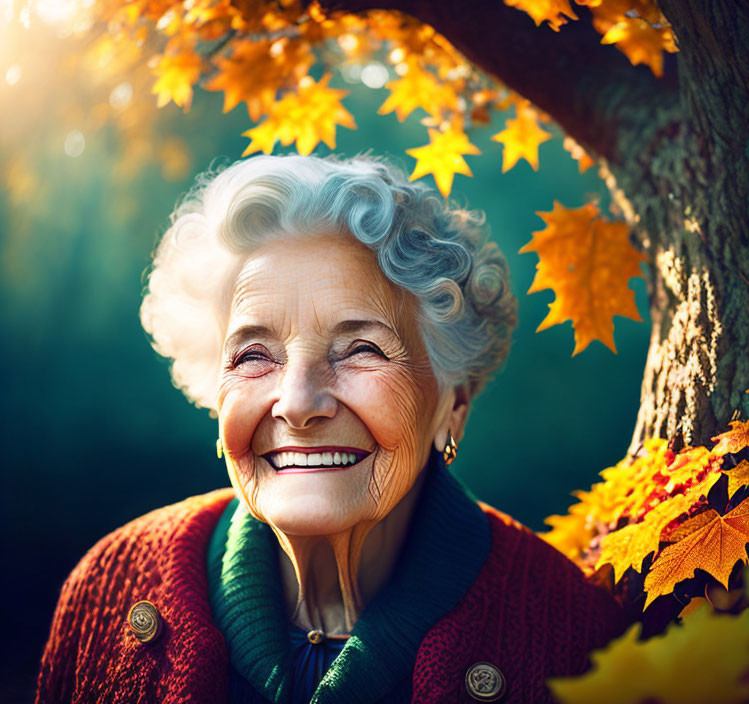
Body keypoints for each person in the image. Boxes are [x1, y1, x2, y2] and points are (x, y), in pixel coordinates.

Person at [34, 154, 625, 704]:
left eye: (360, 348)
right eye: (252, 356)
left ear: (454, 403)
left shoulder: (573, 633)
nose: (297, 403)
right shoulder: (108, 586)